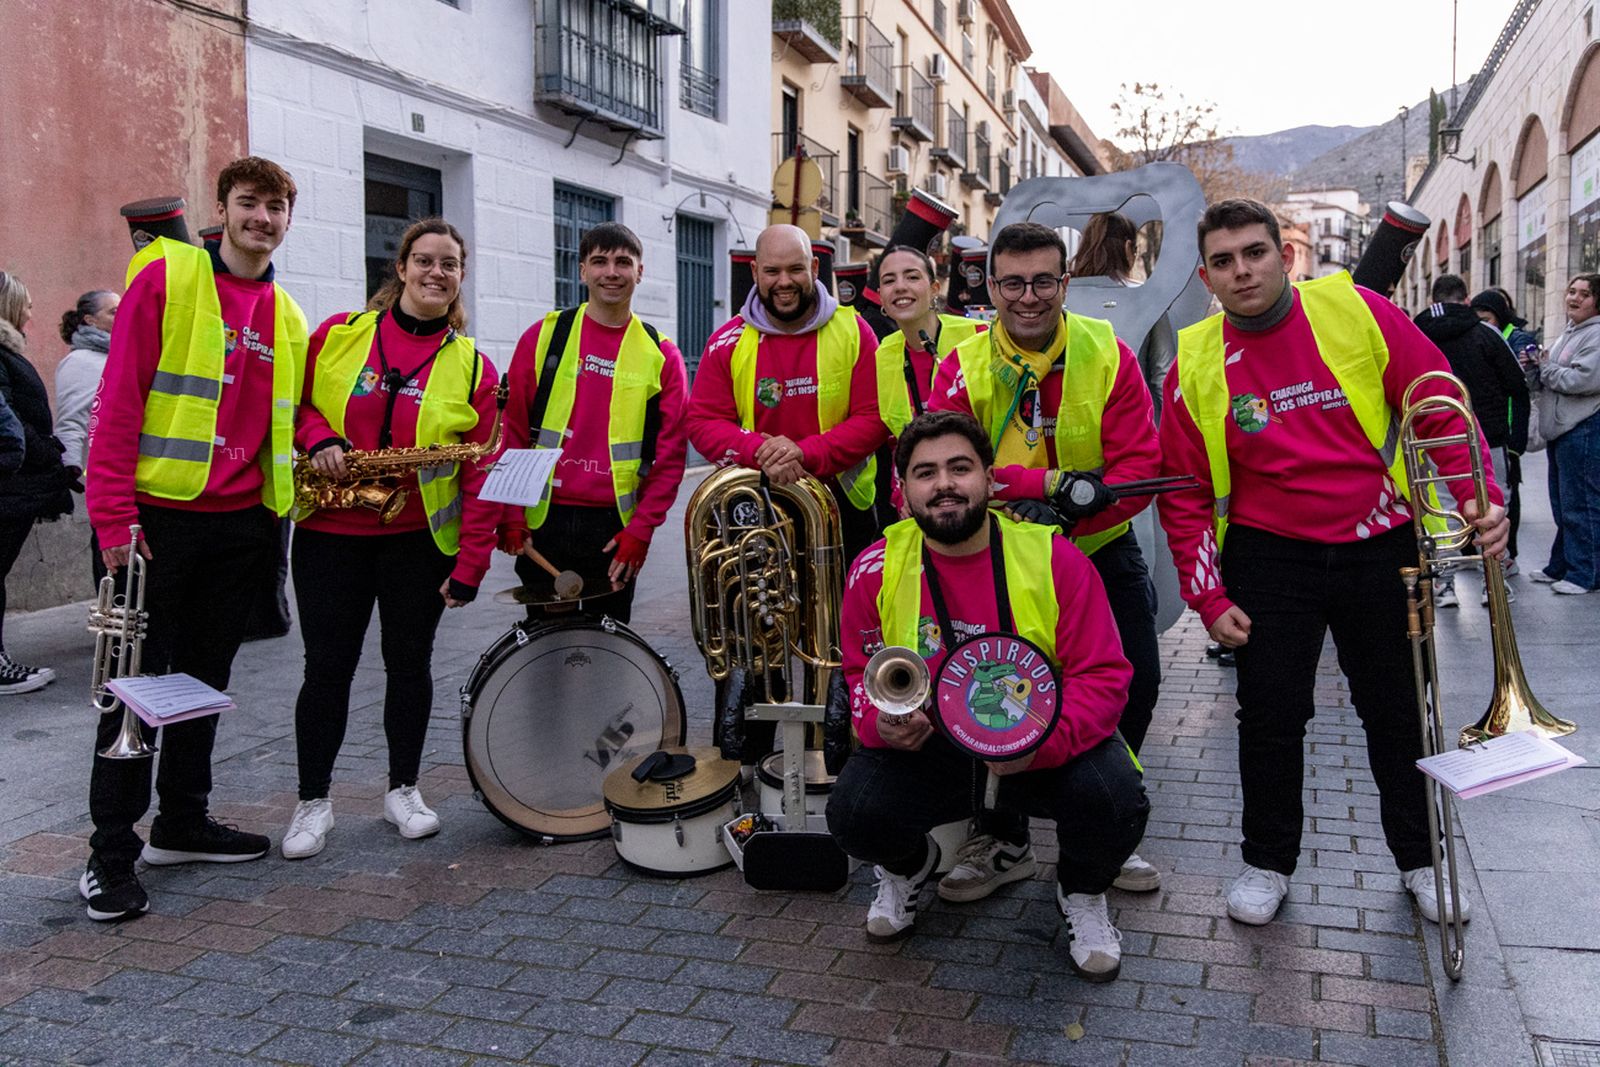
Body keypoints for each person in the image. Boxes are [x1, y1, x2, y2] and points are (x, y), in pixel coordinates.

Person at [1157, 198, 1508, 927]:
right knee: (1269, 717)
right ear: (1206, 277)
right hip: (1267, 557)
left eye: (1254, 253)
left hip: (1380, 548)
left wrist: (1480, 499)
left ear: (1285, 256)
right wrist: (1207, 598)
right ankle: (1267, 862)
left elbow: (1437, 407)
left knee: (1399, 713)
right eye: (1223, 261)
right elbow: (1184, 492)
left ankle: (1422, 860)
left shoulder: (1359, 311)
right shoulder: (1194, 360)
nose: (1241, 270)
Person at [825, 410, 1148, 982]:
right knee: (854, 814)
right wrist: (881, 726)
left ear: (990, 478)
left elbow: (1103, 676)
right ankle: (908, 867)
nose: (944, 484)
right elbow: (859, 674)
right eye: (925, 472)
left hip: (1038, 742)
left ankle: (1080, 890)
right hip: (932, 746)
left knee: (1116, 799)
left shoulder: (1055, 558)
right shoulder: (875, 568)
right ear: (904, 489)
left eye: (960, 468)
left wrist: (1044, 745)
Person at [82, 157, 309, 921]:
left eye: (276, 207)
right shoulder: (168, 275)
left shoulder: (288, 314)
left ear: (288, 219)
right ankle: (109, 855)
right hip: (157, 523)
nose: (262, 218)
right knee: (133, 688)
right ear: (223, 208)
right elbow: (119, 400)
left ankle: (181, 821)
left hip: (243, 526)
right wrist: (113, 517)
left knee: (202, 682)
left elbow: (293, 415)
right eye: (249, 203)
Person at [929, 221, 1164, 897]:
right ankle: (1004, 839)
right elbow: (943, 468)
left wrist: (1068, 515)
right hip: (994, 556)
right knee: (988, 693)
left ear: (1065, 283)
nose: (1027, 297)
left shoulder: (1108, 352)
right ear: (991, 286)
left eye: (1041, 282)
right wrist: (1044, 486)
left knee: (1138, 681)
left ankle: (1107, 826)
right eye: (1012, 283)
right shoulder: (962, 364)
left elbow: (1140, 469)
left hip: (1096, 546)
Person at [281, 218, 502, 860]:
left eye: (449, 264)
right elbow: (292, 403)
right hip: (329, 534)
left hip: (416, 542)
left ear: (460, 277)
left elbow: (481, 472)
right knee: (326, 669)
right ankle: (312, 801)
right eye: (424, 260)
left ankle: (402, 789)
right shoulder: (338, 334)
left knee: (410, 667)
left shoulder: (474, 366)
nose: (436, 272)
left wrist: (472, 562)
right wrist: (318, 437)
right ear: (401, 268)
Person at [688, 223, 887, 763]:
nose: (784, 281)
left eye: (795, 269)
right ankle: (747, 766)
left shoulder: (855, 332)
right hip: (757, 520)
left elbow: (875, 419)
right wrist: (762, 451)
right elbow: (702, 421)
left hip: (842, 516)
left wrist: (806, 453)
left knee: (841, 642)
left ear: (814, 269)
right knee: (758, 643)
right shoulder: (728, 341)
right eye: (772, 270)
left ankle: (838, 762)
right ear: (754, 272)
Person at [498, 221, 689, 623]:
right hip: (544, 521)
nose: (611, 272)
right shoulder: (543, 337)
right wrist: (511, 514)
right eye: (600, 261)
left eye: (623, 262)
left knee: (608, 641)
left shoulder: (662, 355)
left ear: (640, 271)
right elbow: (512, 429)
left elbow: (671, 458)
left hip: (613, 529)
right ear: (583, 271)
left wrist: (641, 530)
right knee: (549, 638)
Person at [1413, 273, 1529, 604]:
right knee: (1492, 504)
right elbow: (1517, 385)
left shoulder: (1416, 332)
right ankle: (1493, 581)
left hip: (1433, 438)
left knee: (1443, 511)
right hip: (1489, 435)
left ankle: (1445, 583)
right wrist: (1516, 440)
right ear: (1466, 300)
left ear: (1432, 300)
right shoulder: (1485, 333)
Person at [0, 271, 75, 693]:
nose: (31, 313)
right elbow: (10, 423)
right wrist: (46, 451)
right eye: (26, 304)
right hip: (10, 485)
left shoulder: (7, 351)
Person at [1529, 274, 1600, 594]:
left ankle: (1585, 574)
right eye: (1572, 291)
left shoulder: (1596, 334)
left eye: (1585, 294)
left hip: (1583, 427)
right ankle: (1561, 565)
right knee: (1563, 504)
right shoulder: (1572, 332)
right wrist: (1538, 364)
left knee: (1581, 505)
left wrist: (1545, 368)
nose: (1574, 298)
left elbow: (1581, 380)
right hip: (1564, 429)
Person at [873, 243, 985, 439]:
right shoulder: (882, 354)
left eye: (912, 277)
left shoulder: (978, 334)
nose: (900, 287)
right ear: (880, 296)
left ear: (934, 289)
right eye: (889, 281)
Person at [1471, 287, 1540, 565]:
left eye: (1487, 319)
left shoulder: (1515, 338)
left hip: (1507, 427)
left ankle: (1507, 555)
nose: (1483, 325)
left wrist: (1516, 438)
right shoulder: (1486, 337)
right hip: (1495, 427)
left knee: (1507, 491)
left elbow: (1521, 387)